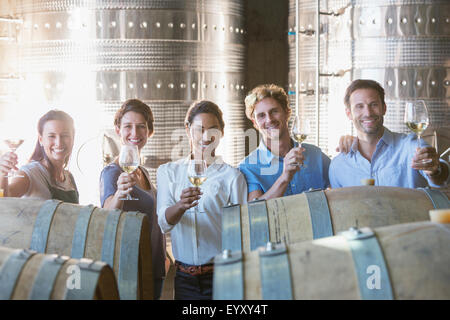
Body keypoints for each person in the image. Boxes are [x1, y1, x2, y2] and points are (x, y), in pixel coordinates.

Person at [157, 100, 247, 300]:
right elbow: (164, 224)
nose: (206, 137)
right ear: (188, 129)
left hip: (222, 276)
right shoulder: (168, 172)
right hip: (183, 279)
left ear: (221, 133)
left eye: (213, 130)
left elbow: (240, 233)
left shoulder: (232, 177)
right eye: (200, 129)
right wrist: (180, 206)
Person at [99, 99, 166, 299]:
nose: (134, 133)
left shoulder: (142, 171)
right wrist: (119, 193)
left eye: (141, 127)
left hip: (154, 264)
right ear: (118, 130)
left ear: (149, 132)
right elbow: (107, 215)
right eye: (128, 126)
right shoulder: (112, 172)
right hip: (130, 268)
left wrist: (165, 256)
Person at [329, 79, 449, 188]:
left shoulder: (409, 146)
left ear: (384, 108)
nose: (368, 113)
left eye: (374, 104)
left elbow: (443, 178)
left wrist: (435, 170)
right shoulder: (338, 165)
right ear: (349, 113)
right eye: (359, 107)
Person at [238, 84, 332, 201]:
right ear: (255, 123)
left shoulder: (315, 154)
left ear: (287, 113)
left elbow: (342, 184)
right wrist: (285, 177)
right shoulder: (248, 167)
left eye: (274, 111)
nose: (269, 119)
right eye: (261, 116)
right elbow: (255, 211)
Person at [0, 110, 79, 203]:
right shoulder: (30, 173)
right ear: (41, 140)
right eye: (51, 136)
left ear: (73, 138)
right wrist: (2, 173)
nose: (59, 142)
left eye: (65, 135)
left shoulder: (69, 177)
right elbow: (5, 199)